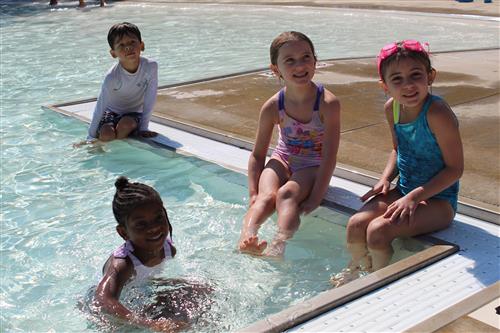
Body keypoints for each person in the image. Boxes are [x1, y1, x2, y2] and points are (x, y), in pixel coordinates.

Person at [332, 40, 463, 286]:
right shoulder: (392, 109)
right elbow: (397, 149)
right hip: (404, 190)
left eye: (416, 75)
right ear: (385, 86)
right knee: (356, 224)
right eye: (397, 79)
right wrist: (385, 179)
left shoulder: (437, 113)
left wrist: (413, 197)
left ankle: (377, 280)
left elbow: (455, 169)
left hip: (439, 201)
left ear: (430, 76)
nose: (408, 85)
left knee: (378, 231)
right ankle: (357, 267)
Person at [238, 31, 341, 257]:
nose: (300, 65)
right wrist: (253, 192)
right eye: (290, 60)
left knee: (286, 195)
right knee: (265, 198)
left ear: (315, 60)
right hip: (283, 159)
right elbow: (258, 155)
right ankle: (246, 239)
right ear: (276, 69)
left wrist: (316, 197)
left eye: (306, 57)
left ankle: (278, 245)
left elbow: (329, 157)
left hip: (313, 165)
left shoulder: (327, 104)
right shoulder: (273, 106)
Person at [94, 176, 187, 332]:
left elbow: (146, 281)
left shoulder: (167, 249)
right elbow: (102, 299)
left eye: (158, 218)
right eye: (141, 224)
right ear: (123, 233)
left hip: (142, 294)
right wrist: (147, 324)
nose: (153, 228)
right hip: (115, 312)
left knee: (198, 291)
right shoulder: (123, 264)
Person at [76, 22, 157, 147]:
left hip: (133, 113)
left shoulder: (150, 67)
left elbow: (150, 98)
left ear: (142, 45)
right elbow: (100, 105)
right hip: (110, 113)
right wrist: (90, 136)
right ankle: (100, 152)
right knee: (106, 135)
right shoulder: (112, 77)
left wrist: (144, 128)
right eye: (121, 45)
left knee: (125, 126)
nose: (128, 48)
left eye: (132, 42)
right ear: (113, 53)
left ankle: (122, 152)